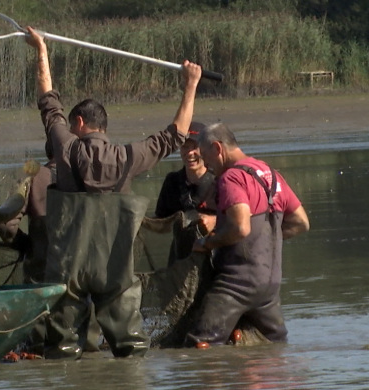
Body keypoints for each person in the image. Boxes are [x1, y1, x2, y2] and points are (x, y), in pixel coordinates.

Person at [25, 26, 202, 359]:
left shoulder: (65, 147)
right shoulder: (128, 157)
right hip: (115, 267)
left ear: (78, 122)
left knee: (61, 348)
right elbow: (175, 135)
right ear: (103, 127)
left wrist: (41, 50)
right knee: (131, 348)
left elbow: (49, 103)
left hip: (68, 268)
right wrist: (191, 84)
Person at [186, 122, 310, 347]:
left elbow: (240, 228)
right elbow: (301, 222)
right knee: (274, 345)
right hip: (269, 287)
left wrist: (208, 243)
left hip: (235, 286)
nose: (207, 165)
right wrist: (269, 240)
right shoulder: (271, 174)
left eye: (206, 156)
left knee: (198, 346)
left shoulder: (231, 178)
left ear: (218, 148)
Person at [154, 120, 217, 264]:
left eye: (194, 147)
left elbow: (239, 220)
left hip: (214, 259)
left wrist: (214, 221)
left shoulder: (220, 181)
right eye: (185, 147)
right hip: (180, 260)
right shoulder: (172, 181)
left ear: (206, 148)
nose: (190, 153)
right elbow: (160, 221)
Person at [0, 140, 55, 284]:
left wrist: (31, 246)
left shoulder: (34, 176)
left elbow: (4, 224)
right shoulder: (92, 175)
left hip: (41, 279)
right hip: (84, 283)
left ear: (48, 152)